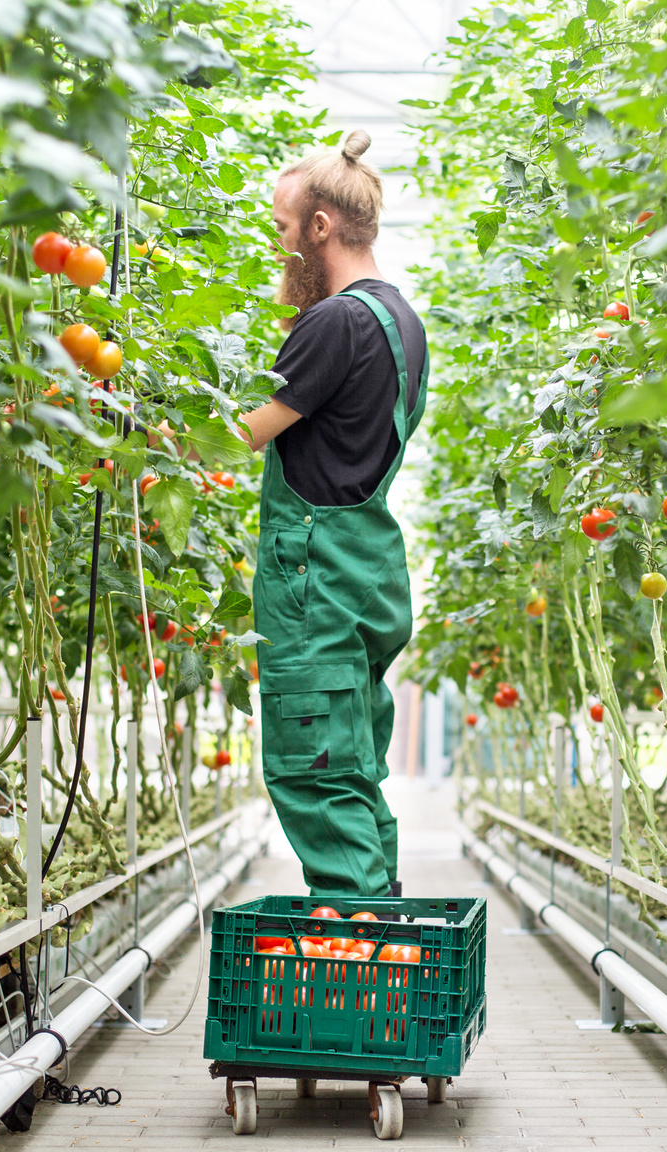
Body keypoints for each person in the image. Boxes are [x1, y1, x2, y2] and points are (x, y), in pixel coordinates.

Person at [233, 130, 428, 900]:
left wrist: (147, 427)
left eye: (284, 229)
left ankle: (357, 967)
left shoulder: (336, 321)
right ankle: (380, 948)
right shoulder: (401, 322)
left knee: (314, 769)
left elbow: (244, 434)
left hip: (315, 579)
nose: (281, 246)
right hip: (365, 572)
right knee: (349, 769)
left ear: (320, 227)